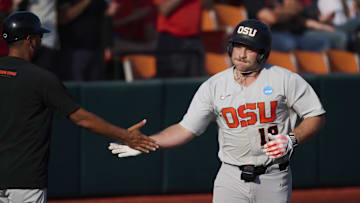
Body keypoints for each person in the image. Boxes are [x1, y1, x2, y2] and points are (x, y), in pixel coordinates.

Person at [109, 19, 326, 203]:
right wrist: (147, 142)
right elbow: (185, 129)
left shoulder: (284, 79)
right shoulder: (214, 86)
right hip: (231, 177)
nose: (241, 54)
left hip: (274, 176)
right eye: (238, 46)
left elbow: (315, 115)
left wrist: (292, 138)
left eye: (249, 48)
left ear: (262, 53)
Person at [0, 11, 158, 203]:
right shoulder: (41, 79)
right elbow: (82, 119)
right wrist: (126, 136)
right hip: (25, 183)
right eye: (39, 36)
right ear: (30, 40)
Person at [244, 0, 333, 52]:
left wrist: (281, 12)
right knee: (289, 43)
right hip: (266, 35)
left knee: (324, 42)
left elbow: (297, 7)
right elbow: (272, 18)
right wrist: (288, 10)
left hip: (290, 33)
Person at [154, 0, 205, 78]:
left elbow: (208, 6)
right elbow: (164, 9)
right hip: (173, 41)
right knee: (174, 83)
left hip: (195, 40)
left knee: (196, 83)